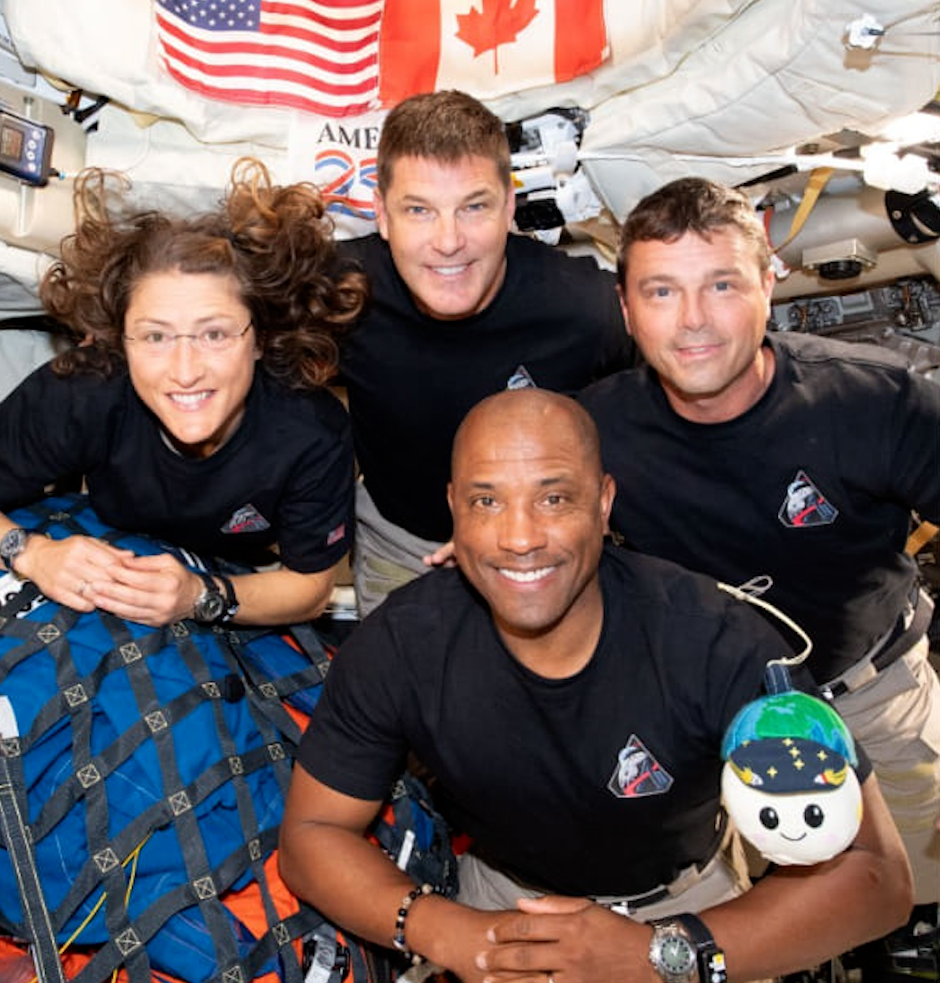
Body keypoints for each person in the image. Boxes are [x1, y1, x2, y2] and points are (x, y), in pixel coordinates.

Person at [279, 388, 912, 983]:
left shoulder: (717, 643)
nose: (519, 537)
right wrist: (443, 931)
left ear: (604, 503)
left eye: (553, 498)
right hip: (500, 908)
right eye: (486, 501)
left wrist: (658, 953)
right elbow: (311, 836)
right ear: (453, 510)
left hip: (691, 908)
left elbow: (877, 875)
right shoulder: (401, 643)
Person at [578, 176, 940, 950]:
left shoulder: (871, 400)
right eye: (662, 291)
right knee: (761, 927)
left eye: (722, 284)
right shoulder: (594, 429)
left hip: (873, 700)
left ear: (770, 283)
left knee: (913, 901)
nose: (694, 321)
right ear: (626, 308)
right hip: (707, 719)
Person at [0, 157, 365, 626]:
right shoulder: (86, 389)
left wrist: (199, 596)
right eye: (156, 336)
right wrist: (31, 554)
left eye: (215, 334)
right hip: (100, 551)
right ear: (120, 341)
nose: (185, 372)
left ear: (261, 338)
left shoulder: (311, 430)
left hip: (232, 581)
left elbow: (309, 587)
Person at [336, 90, 635, 616]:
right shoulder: (338, 294)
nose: (448, 241)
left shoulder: (584, 308)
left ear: (509, 208)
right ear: (382, 215)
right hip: (404, 546)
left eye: (473, 207)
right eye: (419, 210)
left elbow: (662, 414)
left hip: (541, 547)